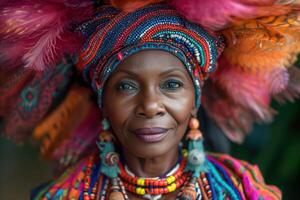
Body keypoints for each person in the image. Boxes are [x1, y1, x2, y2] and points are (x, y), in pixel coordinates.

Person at [1, 0, 300, 200]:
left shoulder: (242, 188)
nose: (150, 105)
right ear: (104, 101)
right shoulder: (66, 194)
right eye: (126, 87)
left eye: (171, 84)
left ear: (193, 99)